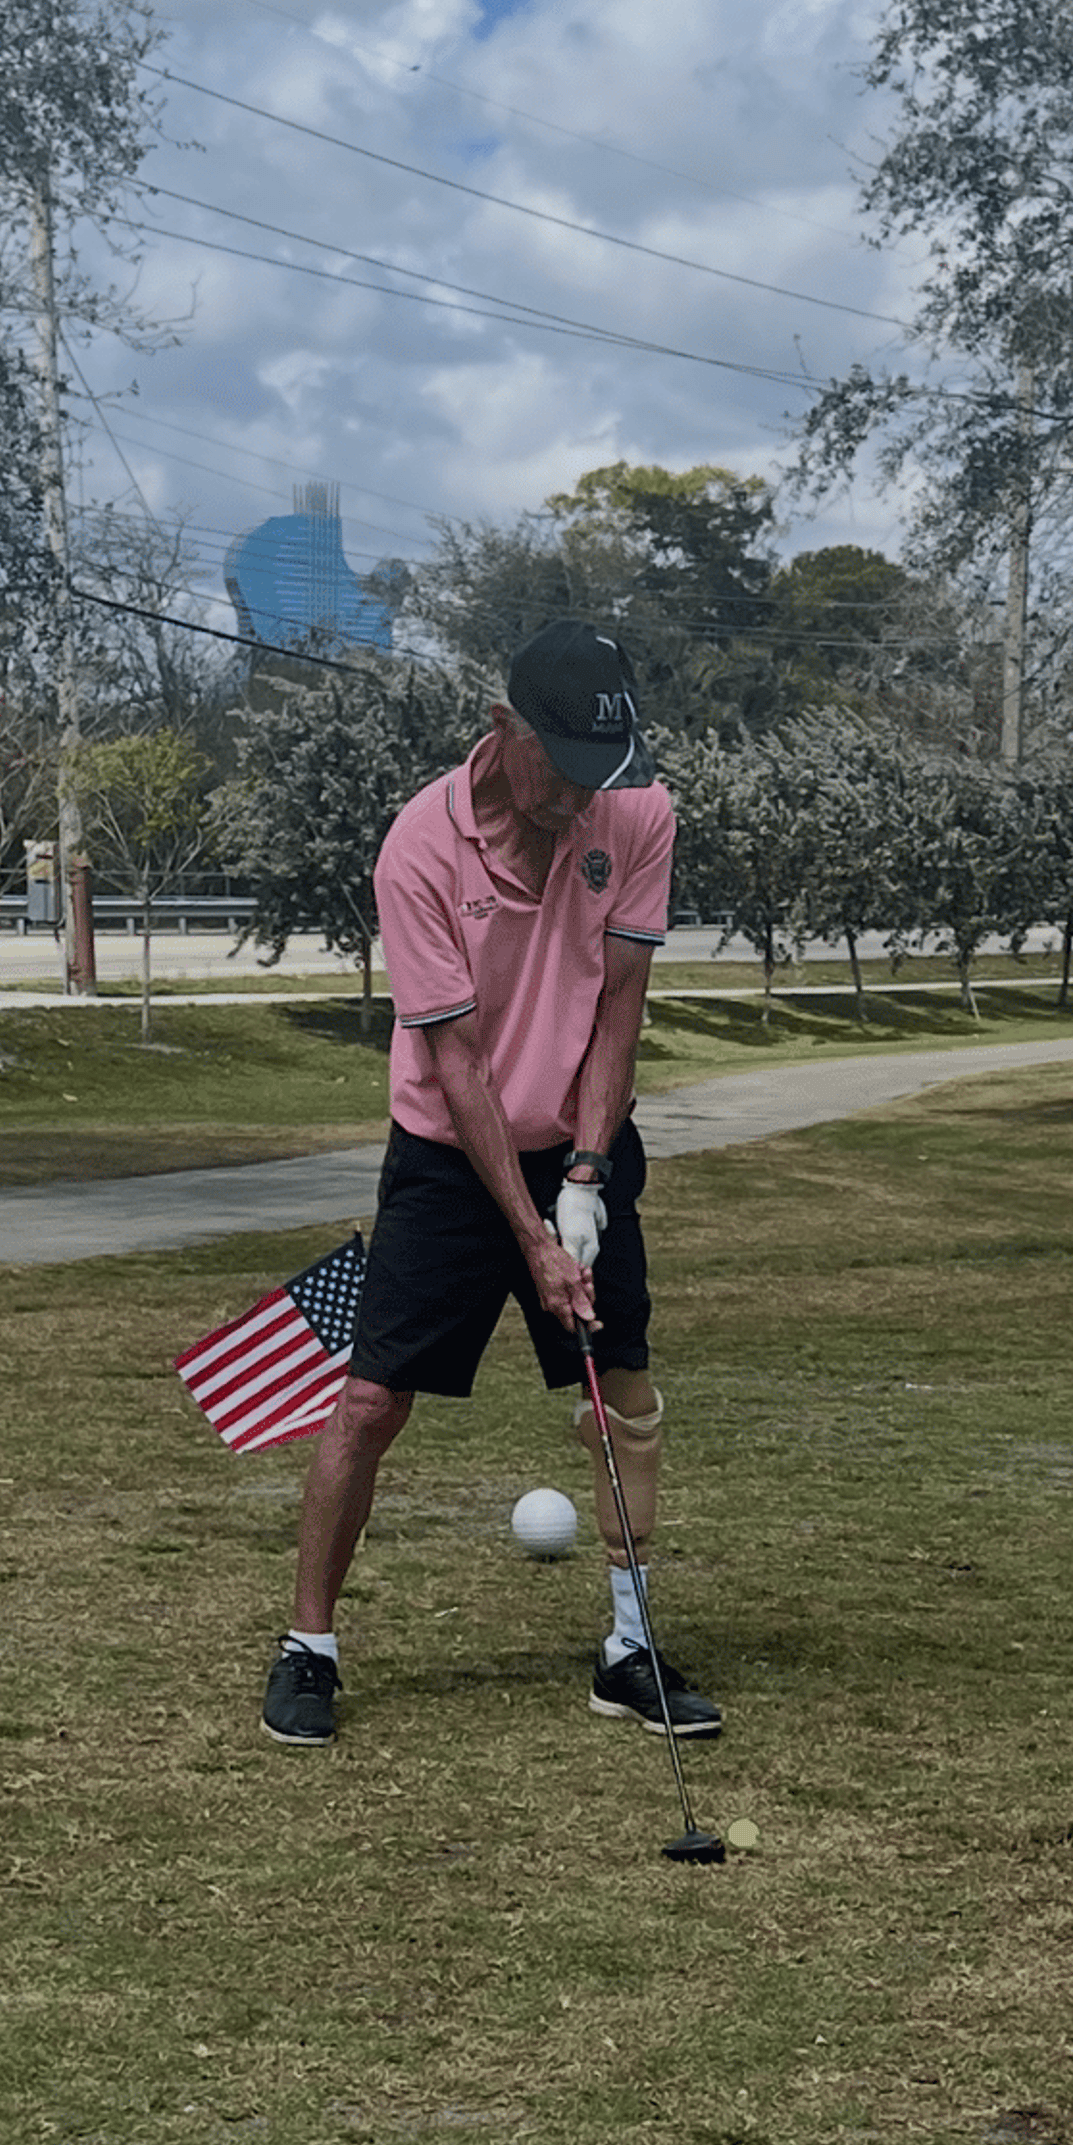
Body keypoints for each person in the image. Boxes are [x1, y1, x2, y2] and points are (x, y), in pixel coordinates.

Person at [260, 617, 720, 1752]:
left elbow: (619, 1011)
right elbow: (456, 1062)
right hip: (447, 1156)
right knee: (372, 1401)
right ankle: (308, 1646)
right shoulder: (420, 846)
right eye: (561, 771)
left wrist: (585, 1173)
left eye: (597, 777)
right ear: (503, 730)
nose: (579, 800)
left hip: (575, 1143)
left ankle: (628, 1648)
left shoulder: (637, 815)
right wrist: (531, 1234)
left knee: (623, 1394)